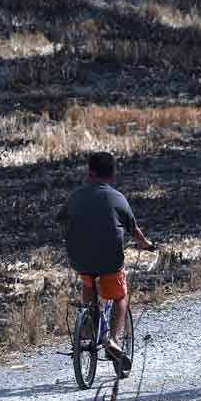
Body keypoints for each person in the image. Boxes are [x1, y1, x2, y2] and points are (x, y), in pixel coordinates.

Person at [57, 151, 153, 371]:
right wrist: (146, 244)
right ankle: (113, 340)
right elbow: (134, 231)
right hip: (110, 258)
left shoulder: (75, 196)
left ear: (89, 172)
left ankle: (87, 329)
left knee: (88, 281)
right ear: (112, 175)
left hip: (80, 257)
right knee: (120, 296)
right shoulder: (118, 198)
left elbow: (62, 218)